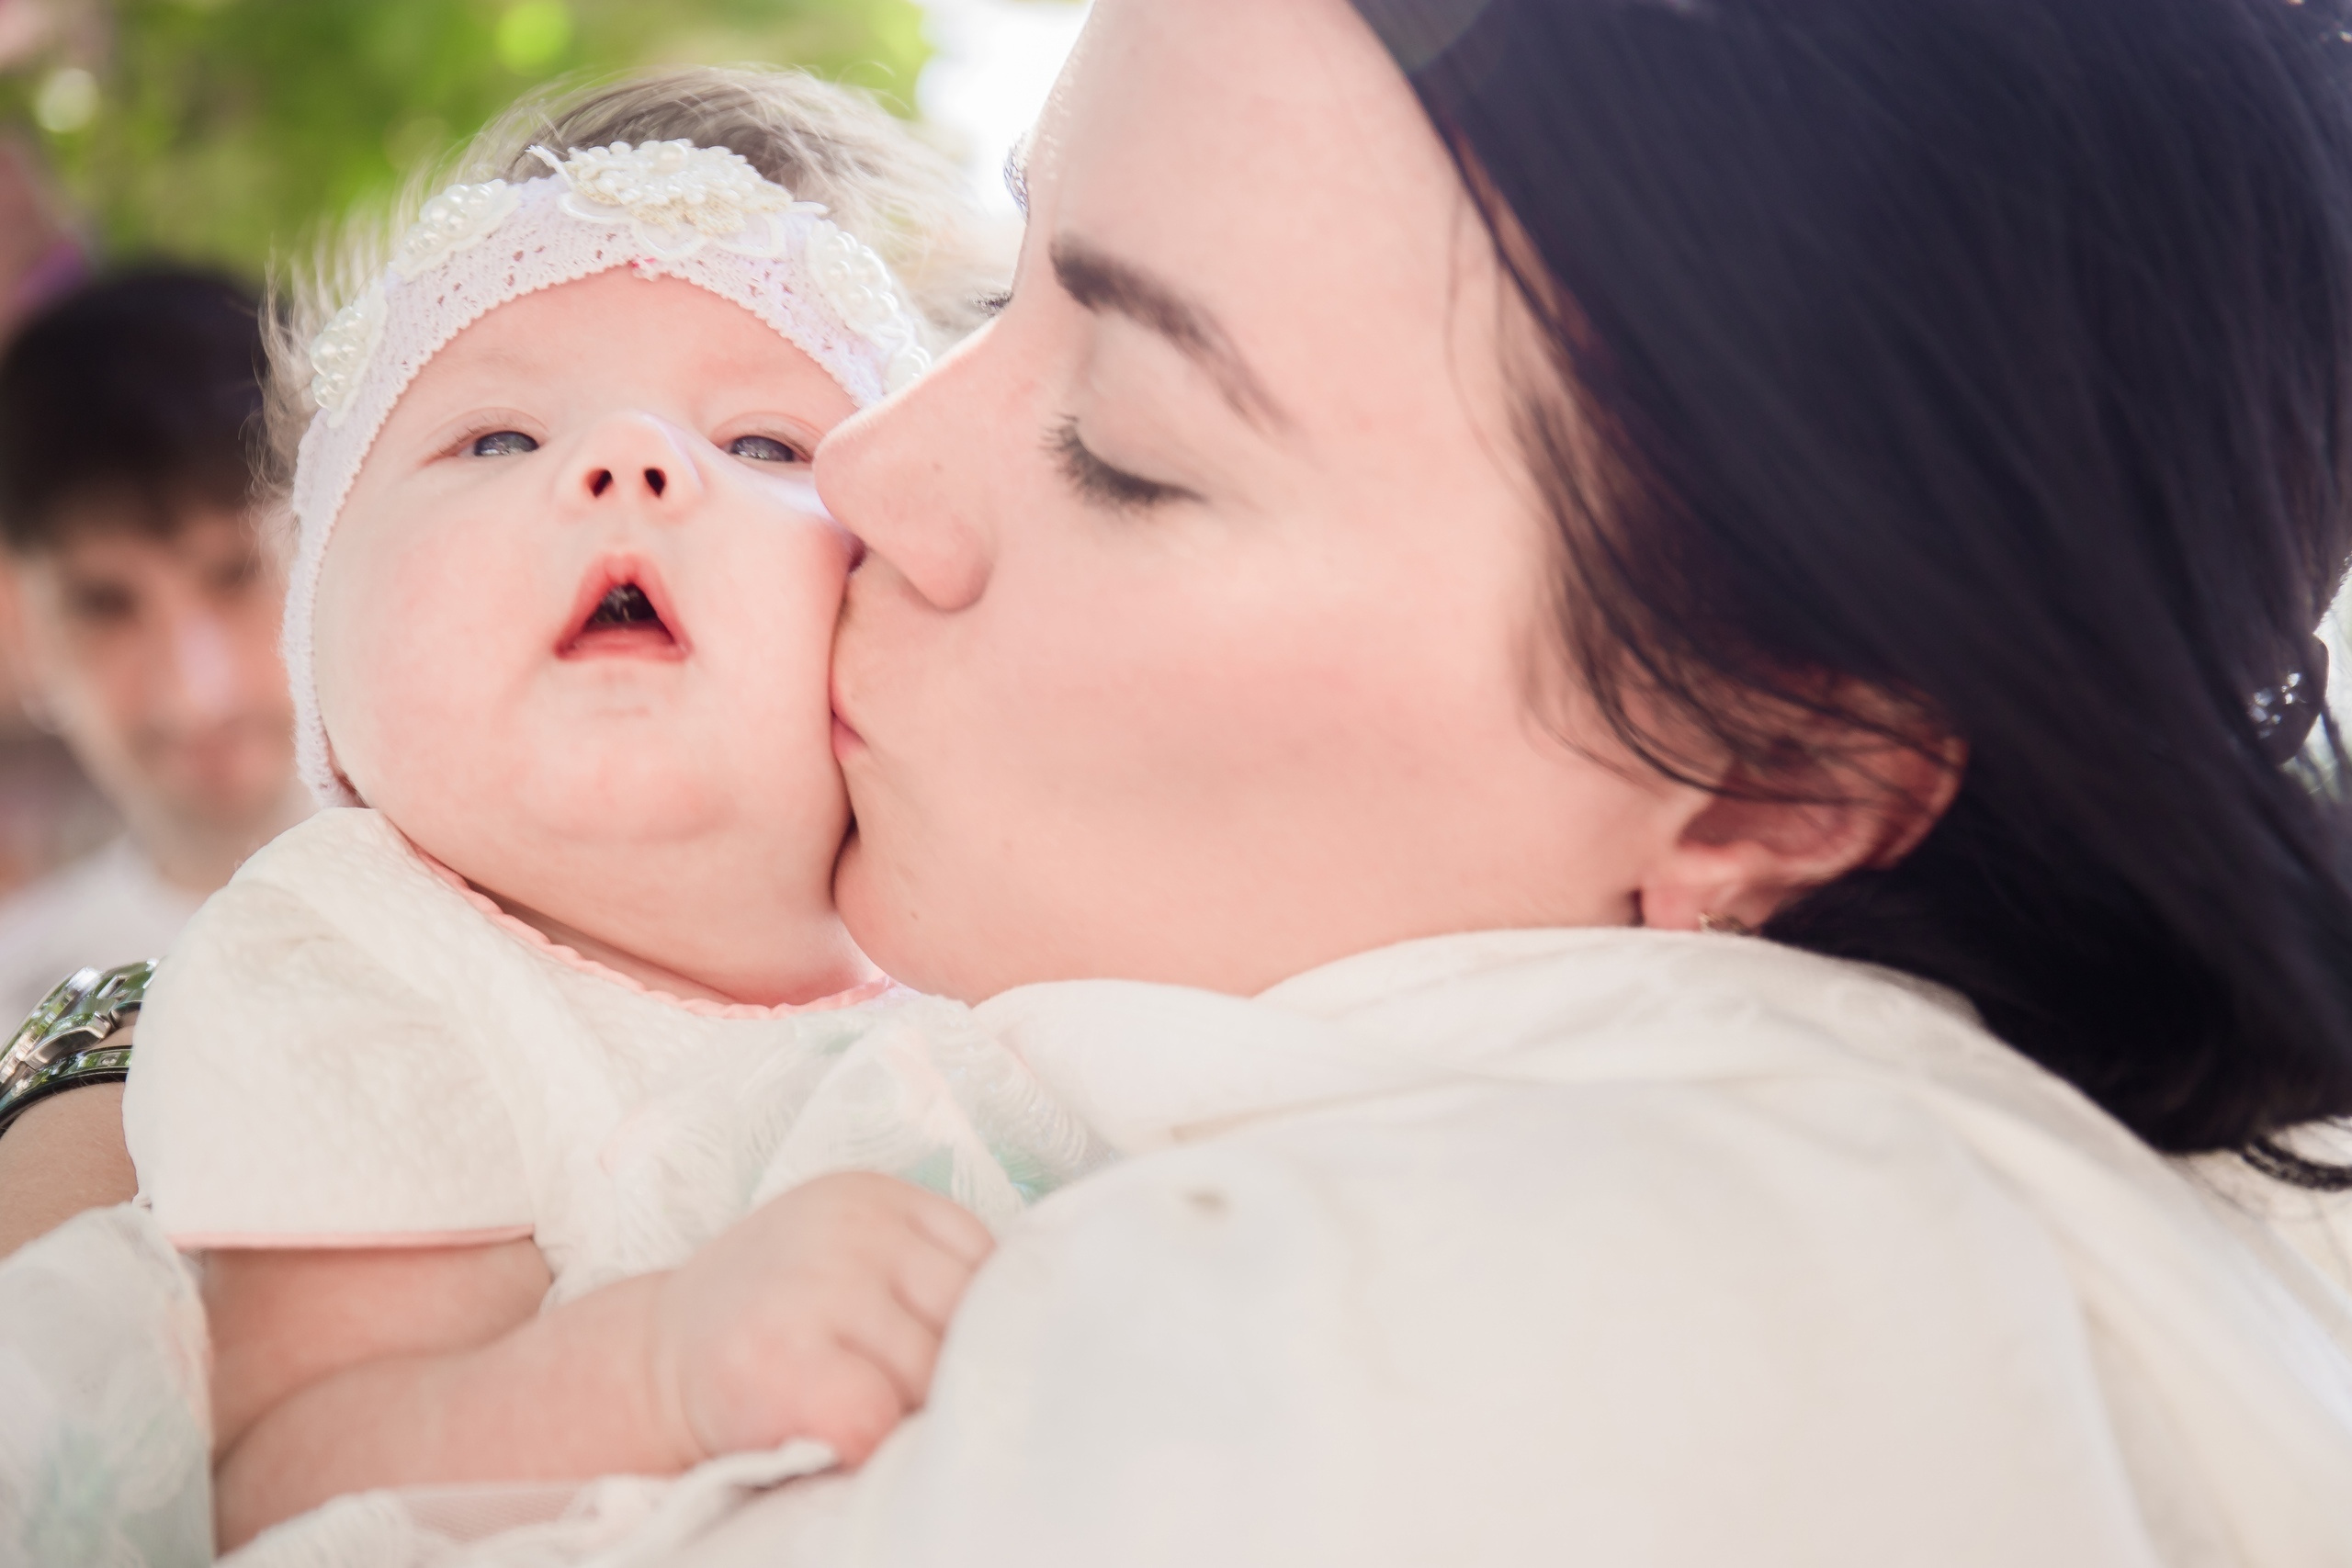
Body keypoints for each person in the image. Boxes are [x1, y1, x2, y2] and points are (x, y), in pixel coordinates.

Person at [10, 0, 2352, 1561]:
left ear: (1775, 764)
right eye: (999, 293)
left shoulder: (1504, 1352)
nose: (867, 476)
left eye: (1127, 448)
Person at [111, 70, 1097, 1552]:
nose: (625, 461)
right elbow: (279, 1478)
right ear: (321, 641)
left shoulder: (1004, 933)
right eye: (497, 439)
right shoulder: (351, 957)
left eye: (764, 444)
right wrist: (658, 1367)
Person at [0, 270, 309, 1026]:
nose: (197, 691)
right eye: (106, 605)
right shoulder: (14, 1007)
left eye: (238, 573)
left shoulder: (546, 910)